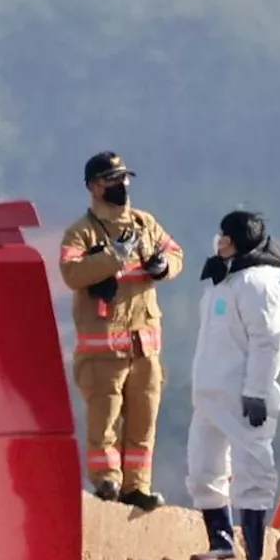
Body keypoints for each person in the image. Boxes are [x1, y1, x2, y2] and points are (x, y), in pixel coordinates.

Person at [59, 152, 184, 510]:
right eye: (113, 179)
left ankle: (137, 486)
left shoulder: (145, 224)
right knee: (105, 423)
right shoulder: (80, 232)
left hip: (144, 348)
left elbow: (175, 254)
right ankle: (107, 482)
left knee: (143, 423)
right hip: (103, 352)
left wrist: (163, 266)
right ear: (95, 186)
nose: (122, 185)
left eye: (125, 178)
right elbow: (72, 273)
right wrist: (113, 256)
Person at [186, 211, 280, 560]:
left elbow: (268, 341)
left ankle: (255, 559)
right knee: (203, 468)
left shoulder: (257, 284)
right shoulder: (225, 279)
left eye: (225, 236)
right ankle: (221, 542)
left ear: (237, 240)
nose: (219, 240)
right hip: (211, 394)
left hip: (241, 394)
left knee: (252, 471)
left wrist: (256, 392)